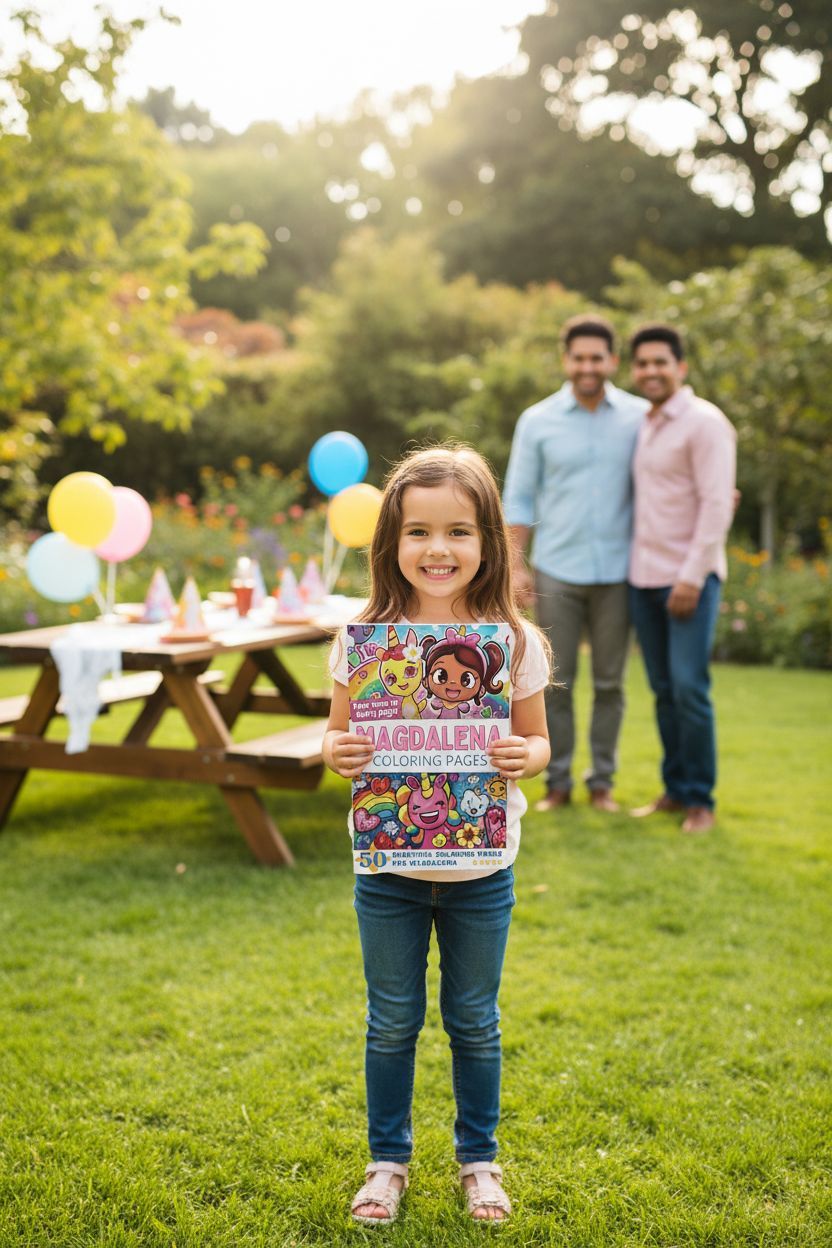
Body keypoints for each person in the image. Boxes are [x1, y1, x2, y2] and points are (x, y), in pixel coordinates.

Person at [324, 445, 551, 1225]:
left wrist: (527, 756)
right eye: (418, 531)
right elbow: (336, 738)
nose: (438, 549)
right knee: (391, 1021)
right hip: (389, 870)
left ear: (488, 540)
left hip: (481, 870)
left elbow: (539, 741)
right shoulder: (364, 640)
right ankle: (387, 1161)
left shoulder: (513, 642)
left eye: (458, 531)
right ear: (391, 541)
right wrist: (338, 752)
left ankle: (478, 1161)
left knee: (474, 1023)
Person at [503, 315, 648, 813]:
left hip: (620, 573)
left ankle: (602, 784)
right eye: (579, 357)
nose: (588, 366)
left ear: (612, 361)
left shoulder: (640, 417)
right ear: (566, 360)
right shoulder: (537, 420)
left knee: (610, 684)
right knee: (554, 682)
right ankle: (558, 782)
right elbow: (519, 496)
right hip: (557, 571)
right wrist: (516, 566)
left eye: (596, 357)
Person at [627, 324, 737, 834]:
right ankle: (674, 790)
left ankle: (701, 801)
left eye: (660, 362)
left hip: (689, 579)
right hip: (643, 578)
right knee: (664, 690)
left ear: (681, 367)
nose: (651, 371)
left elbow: (717, 504)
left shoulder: (705, 423)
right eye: (642, 363)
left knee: (690, 689)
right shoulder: (644, 424)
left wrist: (692, 577)